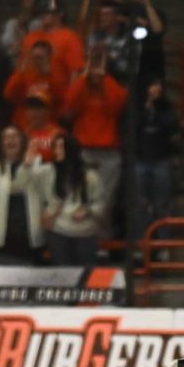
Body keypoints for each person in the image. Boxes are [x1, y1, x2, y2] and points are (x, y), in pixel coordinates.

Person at [64, 50, 127, 235]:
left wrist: (104, 77)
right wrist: (84, 77)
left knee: (106, 199)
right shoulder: (81, 88)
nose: (94, 73)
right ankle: (82, 234)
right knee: (80, 196)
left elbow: (119, 103)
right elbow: (69, 104)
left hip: (108, 153)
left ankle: (102, 238)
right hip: (83, 151)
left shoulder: (113, 87)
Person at [0, 125, 50, 264]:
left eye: (14, 136)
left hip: (29, 232)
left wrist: (27, 165)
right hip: (3, 233)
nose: (10, 141)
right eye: (5, 137)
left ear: (23, 141)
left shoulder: (39, 163)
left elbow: (21, 185)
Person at [131, 77, 179, 241]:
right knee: (139, 205)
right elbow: (131, 127)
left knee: (162, 205)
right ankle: (140, 243)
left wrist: (157, 109)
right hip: (140, 159)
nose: (155, 89)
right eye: (153, 85)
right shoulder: (136, 106)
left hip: (161, 160)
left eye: (158, 85)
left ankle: (164, 243)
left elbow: (172, 126)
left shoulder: (166, 107)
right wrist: (146, 110)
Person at [41, 134, 101, 266]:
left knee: (87, 276)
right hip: (58, 230)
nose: (56, 151)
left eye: (60, 147)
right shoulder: (48, 171)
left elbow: (101, 204)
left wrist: (87, 211)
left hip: (85, 232)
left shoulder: (90, 175)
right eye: (55, 147)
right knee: (62, 276)